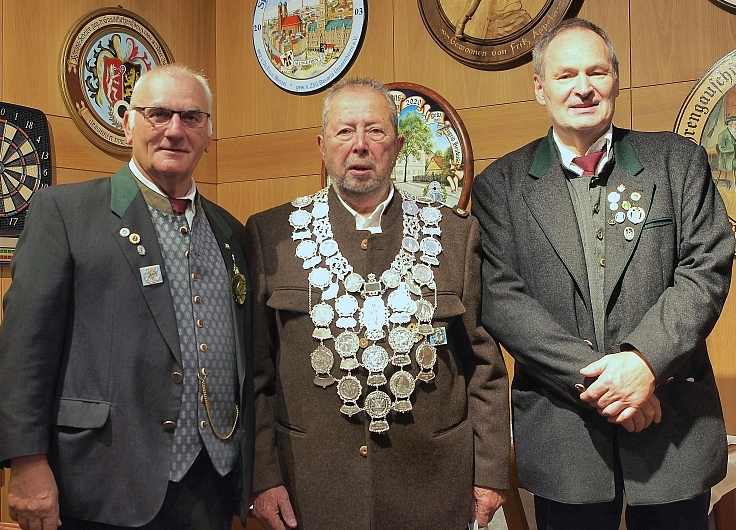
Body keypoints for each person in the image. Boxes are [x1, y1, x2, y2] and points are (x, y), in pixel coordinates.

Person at [472, 18, 733, 530]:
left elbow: (706, 269)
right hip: (565, 441)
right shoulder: (498, 186)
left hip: (673, 431)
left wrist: (644, 362)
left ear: (615, 78)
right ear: (540, 87)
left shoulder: (677, 162)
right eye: (566, 74)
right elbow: (502, 299)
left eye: (597, 71)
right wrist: (608, 384)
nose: (583, 87)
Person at [245, 77, 510, 530]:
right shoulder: (273, 235)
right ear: (322, 146)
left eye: (375, 130)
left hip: (432, 485)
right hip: (313, 487)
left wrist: (490, 473)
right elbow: (258, 372)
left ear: (398, 145)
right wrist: (263, 476)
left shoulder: (455, 234)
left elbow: (484, 366)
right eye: (344, 131)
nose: (360, 145)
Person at [0, 64, 254, 530]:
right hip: (101, 483)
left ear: (208, 133)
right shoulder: (65, 212)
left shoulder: (232, 232)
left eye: (191, 117)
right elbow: (24, 351)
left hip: (212, 485)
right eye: (158, 114)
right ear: (127, 123)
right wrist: (26, 462)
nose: (174, 130)